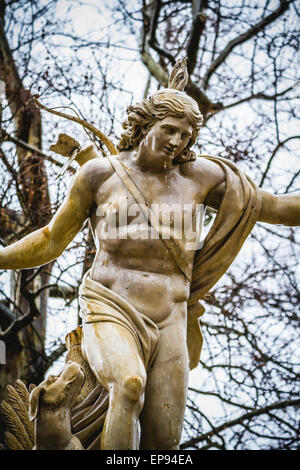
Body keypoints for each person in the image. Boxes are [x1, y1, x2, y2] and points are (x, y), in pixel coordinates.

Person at [0, 60, 299, 450]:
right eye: (169, 130)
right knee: (129, 384)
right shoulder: (99, 176)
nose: (177, 141)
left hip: (171, 316)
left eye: (186, 135)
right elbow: (51, 239)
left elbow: (273, 206)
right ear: (145, 126)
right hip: (111, 305)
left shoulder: (201, 178)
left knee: (164, 443)